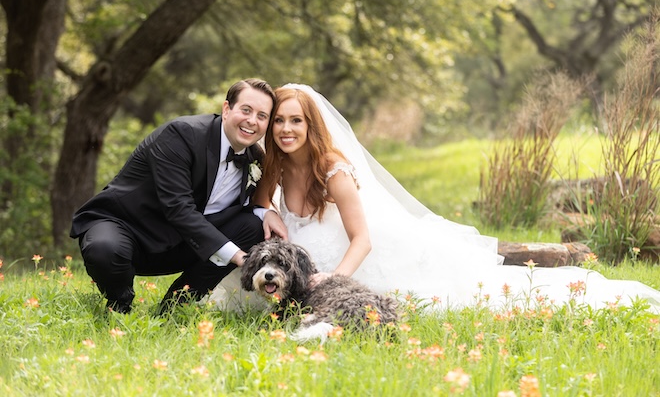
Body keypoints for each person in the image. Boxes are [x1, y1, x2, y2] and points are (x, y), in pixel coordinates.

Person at [209, 83, 660, 314]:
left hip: (362, 254)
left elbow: (362, 239)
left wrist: (333, 279)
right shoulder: (275, 163)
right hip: (305, 259)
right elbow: (262, 201)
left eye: (296, 122)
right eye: (279, 122)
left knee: (450, 294)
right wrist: (267, 211)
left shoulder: (334, 170)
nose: (286, 130)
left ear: (310, 125)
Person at [70, 78, 287, 314]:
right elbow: (177, 207)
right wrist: (237, 256)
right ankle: (120, 308)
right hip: (130, 230)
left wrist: (265, 212)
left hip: (182, 242)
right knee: (104, 249)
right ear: (226, 109)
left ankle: (173, 308)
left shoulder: (255, 158)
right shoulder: (182, 135)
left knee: (252, 226)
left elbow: (243, 207)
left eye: (262, 116)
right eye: (246, 110)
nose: (252, 121)